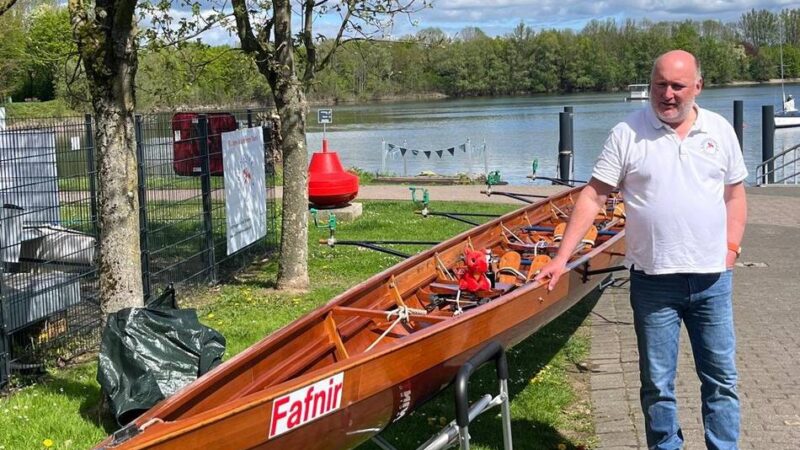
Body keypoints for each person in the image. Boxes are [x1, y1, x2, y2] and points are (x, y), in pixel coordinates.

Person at [535, 50, 748, 450]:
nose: (667, 94)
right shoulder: (627, 133)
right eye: (660, 84)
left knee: (721, 380)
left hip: (712, 281)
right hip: (653, 282)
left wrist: (731, 250)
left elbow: (735, 197)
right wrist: (561, 258)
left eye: (677, 86)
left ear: (697, 88)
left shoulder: (720, 131)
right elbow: (593, 197)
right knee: (657, 385)